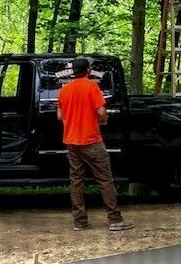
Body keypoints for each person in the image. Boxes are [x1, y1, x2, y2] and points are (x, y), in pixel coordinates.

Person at [57, 57, 134, 232]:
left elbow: (60, 117)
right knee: (105, 180)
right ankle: (115, 220)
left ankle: (80, 222)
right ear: (88, 71)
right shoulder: (92, 86)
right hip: (91, 141)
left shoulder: (64, 90)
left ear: (73, 72)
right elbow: (101, 112)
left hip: (71, 142)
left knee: (76, 181)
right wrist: (103, 119)